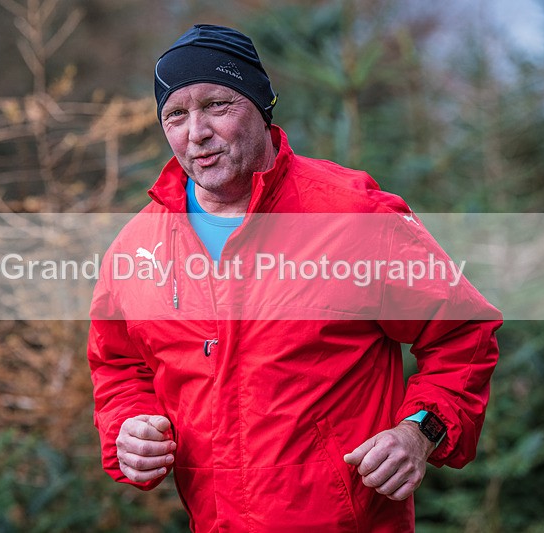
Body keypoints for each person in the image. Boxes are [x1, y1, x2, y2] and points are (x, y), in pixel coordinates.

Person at [87, 24, 502, 532]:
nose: (195, 131)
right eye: (175, 114)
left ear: (262, 109)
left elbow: (464, 333)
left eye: (217, 104)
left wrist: (421, 431)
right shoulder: (136, 247)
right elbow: (119, 367)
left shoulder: (352, 216)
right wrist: (128, 424)